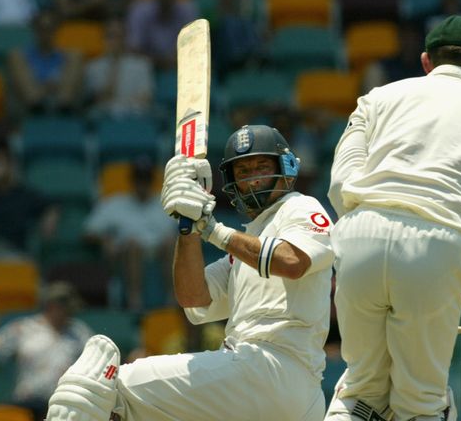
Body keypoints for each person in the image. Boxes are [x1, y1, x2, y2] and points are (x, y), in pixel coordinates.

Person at [45, 125, 335, 420]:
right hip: (271, 390)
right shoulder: (244, 249)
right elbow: (193, 298)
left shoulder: (300, 207)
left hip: (273, 367)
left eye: (262, 166)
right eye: (244, 171)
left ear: (286, 167)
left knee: (108, 387)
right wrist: (189, 228)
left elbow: (291, 261)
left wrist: (212, 229)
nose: (254, 177)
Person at [326, 15, 461, 420]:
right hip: (439, 242)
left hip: (358, 236)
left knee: (360, 390)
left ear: (425, 61)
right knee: (421, 400)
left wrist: (362, 223)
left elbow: (339, 182)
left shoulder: (377, 98)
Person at [0, 281, 93, 420]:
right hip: (28, 402)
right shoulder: (24, 328)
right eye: (65, 308)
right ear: (51, 306)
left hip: (65, 404)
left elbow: (99, 355)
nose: (69, 313)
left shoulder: (78, 331)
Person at [84, 156, 175, 311]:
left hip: (160, 251)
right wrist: (105, 240)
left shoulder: (166, 202)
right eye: (139, 179)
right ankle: (135, 302)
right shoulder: (115, 203)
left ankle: (173, 298)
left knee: (171, 242)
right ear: (132, 180)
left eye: (145, 179)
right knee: (134, 245)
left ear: (151, 180)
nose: (142, 184)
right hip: (125, 253)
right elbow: (89, 230)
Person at [0, 146, 59, 259]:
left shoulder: (24, 193)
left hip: (15, 249)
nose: (1, 168)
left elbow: (50, 204)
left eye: (4, 163)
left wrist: (50, 217)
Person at [8, 9, 84, 114]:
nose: (46, 33)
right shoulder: (20, 57)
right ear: (35, 30)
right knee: (15, 58)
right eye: (42, 29)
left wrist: (44, 89)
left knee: (76, 56)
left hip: (62, 108)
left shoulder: (69, 57)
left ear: (56, 30)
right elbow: (29, 96)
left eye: (50, 29)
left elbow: (67, 95)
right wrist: (49, 88)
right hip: (30, 110)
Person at [85, 17, 155, 119]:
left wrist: (119, 106)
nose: (115, 41)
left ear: (125, 38)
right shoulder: (93, 67)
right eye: (111, 36)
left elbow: (146, 98)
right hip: (104, 120)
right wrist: (113, 65)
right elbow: (98, 99)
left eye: (119, 36)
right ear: (104, 38)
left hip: (134, 119)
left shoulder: (141, 65)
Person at [125, 0, 198, 69]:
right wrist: (160, 61)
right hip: (147, 67)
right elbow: (134, 49)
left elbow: (194, 48)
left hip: (179, 65)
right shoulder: (139, 11)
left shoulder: (188, 11)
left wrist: (174, 59)